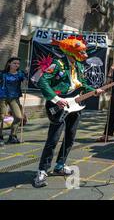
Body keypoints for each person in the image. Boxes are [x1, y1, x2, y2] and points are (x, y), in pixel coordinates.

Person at [33, 36, 104, 188]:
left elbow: (82, 84)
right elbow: (42, 81)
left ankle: (60, 165)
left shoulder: (79, 66)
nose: (85, 54)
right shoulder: (57, 64)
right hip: (59, 105)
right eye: (82, 52)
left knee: (70, 137)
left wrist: (94, 91)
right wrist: (56, 98)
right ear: (71, 52)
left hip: (75, 106)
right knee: (53, 139)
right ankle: (42, 170)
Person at [0, 57, 27, 146]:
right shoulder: (3, 73)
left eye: (18, 64)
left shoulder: (20, 74)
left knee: (19, 117)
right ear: (9, 64)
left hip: (14, 97)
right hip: (2, 97)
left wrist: (27, 75)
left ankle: (13, 136)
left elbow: (26, 81)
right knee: (1, 117)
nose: (17, 65)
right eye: (14, 63)